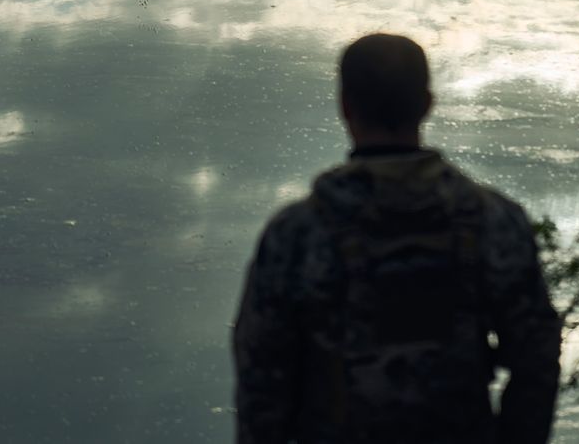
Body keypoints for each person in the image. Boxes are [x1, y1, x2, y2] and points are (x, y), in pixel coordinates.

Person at [233, 34, 561, 444]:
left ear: (345, 106)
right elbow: (538, 355)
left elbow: (261, 376)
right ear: (427, 104)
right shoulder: (494, 221)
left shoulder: (297, 233)